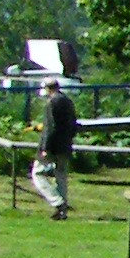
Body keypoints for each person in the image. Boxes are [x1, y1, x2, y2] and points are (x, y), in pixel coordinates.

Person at [32, 85, 80, 219]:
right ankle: (62, 212)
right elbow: (73, 124)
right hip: (65, 145)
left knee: (37, 174)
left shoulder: (51, 103)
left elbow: (50, 127)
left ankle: (57, 202)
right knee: (61, 176)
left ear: (48, 88)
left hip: (52, 146)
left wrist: (45, 148)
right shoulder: (68, 101)